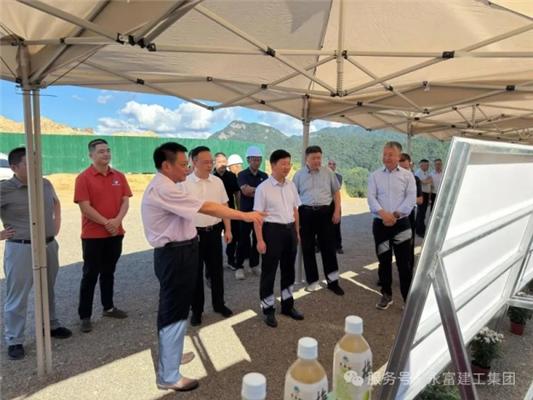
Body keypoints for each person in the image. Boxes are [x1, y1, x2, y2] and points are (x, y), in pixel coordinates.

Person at [141, 142, 264, 392]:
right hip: (175, 254)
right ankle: (168, 375)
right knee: (173, 311)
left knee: (175, 308)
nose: (187, 169)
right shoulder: (164, 188)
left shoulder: (169, 185)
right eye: (183, 164)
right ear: (166, 166)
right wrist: (245, 215)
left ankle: (171, 357)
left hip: (182, 250)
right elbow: (205, 207)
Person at [1, 147, 72, 360]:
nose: (36, 166)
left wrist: (55, 226)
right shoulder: (5, 189)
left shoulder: (45, 183)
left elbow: (56, 203)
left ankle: (50, 325)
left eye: (37, 161)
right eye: (29, 163)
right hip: (21, 248)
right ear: (14, 167)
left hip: (48, 245)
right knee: (17, 295)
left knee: (47, 288)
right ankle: (15, 339)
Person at [74, 138, 132, 333]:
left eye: (108, 150)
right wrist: (107, 223)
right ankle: (85, 315)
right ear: (91, 155)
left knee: (109, 272)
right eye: (101, 151)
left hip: (115, 234)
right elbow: (85, 207)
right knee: (90, 275)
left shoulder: (119, 176)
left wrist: (117, 221)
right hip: (93, 236)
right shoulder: (83, 178)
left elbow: (125, 201)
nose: (106, 154)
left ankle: (108, 307)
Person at [182, 146, 234, 327]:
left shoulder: (217, 182)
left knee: (216, 271)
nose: (209, 164)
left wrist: (228, 230)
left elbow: (224, 207)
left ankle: (219, 304)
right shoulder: (184, 183)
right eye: (205, 162)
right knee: (195, 274)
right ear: (194, 162)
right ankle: (196, 310)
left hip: (214, 232)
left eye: (211, 161)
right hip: (193, 234)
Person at [254, 150, 304, 328]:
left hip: (290, 231)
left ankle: (288, 305)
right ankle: (268, 309)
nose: (287, 167)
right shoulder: (263, 188)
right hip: (272, 232)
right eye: (283, 163)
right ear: (273, 165)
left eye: (289, 163)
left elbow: (295, 210)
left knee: (288, 270)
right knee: (269, 272)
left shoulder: (291, 185)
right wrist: (260, 240)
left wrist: (297, 232)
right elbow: (257, 217)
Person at [368, 142, 416, 310]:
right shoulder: (375, 175)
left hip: (401, 224)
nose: (386, 157)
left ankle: (407, 299)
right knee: (384, 261)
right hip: (380, 223)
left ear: (398, 156)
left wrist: (394, 215)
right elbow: (371, 198)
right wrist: (384, 214)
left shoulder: (408, 176)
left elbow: (411, 199)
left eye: (390, 154)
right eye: (385, 154)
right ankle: (386, 295)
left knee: (404, 264)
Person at [293, 146, 344, 296]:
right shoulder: (299, 175)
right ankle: (313, 281)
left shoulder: (328, 172)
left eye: (319, 158)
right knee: (307, 247)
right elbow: (293, 197)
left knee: (328, 247)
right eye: (314, 158)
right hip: (306, 213)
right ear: (306, 158)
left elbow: (336, 193)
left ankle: (333, 282)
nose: (317, 161)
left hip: (325, 213)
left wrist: (336, 211)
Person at [235, 146, 268, 280]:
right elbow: (245, 191)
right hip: (245, 213)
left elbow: (266, 193)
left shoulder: (264, 176)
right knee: (243, 239)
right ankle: (239, 266)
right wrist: (259, 190)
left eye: (259, 160)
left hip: (259, 213)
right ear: (248, 160)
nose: (256, 162)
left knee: (257, 238)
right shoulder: (242, 174)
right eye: (254, 159)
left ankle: (254, 265)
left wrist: (254, 190)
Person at [213, 152, 241, 270]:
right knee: (215, 239)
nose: (222, 164)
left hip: (230, 211)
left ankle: (230, 260)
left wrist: (239, 209)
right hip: (215, 213)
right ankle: (214, 264)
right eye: (219, 162)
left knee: (233, 236)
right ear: (214, 163)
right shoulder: (211, 177)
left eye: (224, 162)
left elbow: (237, 193)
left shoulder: (232, 176)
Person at [399, 153, 423, 271]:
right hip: (393, 217)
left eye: (405, 166)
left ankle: (408, 271)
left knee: (409, 245)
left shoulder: (415, 179)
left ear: (410, 164)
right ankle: (385, 277)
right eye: (400, 167)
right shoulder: (392, 179)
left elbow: (420, 200)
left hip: (408, 217)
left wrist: (406, 199)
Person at [328, 159, 344, 254]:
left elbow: (335, 189)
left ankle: (338, 246)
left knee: (336, 225)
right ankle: (319, 245)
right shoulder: (323, 176)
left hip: (335, 203)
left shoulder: (339, 177)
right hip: (325, 203)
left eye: (333, 164)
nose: (331, 165)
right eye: (330, 164)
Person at [414, 159, 432, 237]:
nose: (428, 166)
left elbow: (429, 181)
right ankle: (419, 231)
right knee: (421, 213)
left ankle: (420, 228)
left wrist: (427, 180)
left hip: (426, 194)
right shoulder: (418, 173)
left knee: (423, 213)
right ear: (421, 165)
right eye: (426, 165)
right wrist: (427, 180)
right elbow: (424, 182)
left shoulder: (426, 173)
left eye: (428, 165)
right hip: (422, 194)